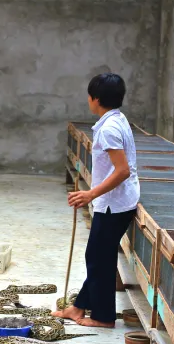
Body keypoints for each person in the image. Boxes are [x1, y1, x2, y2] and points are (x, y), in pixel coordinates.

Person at [52, 73, 140, 328]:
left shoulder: (110, 129)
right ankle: (78, 308)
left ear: (96, 99)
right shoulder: (116, 120)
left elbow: (122, 170)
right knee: (97, 255)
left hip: (114, 204)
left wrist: (91, 193)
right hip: (114, 202)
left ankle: (103, 317)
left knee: (99, 258)